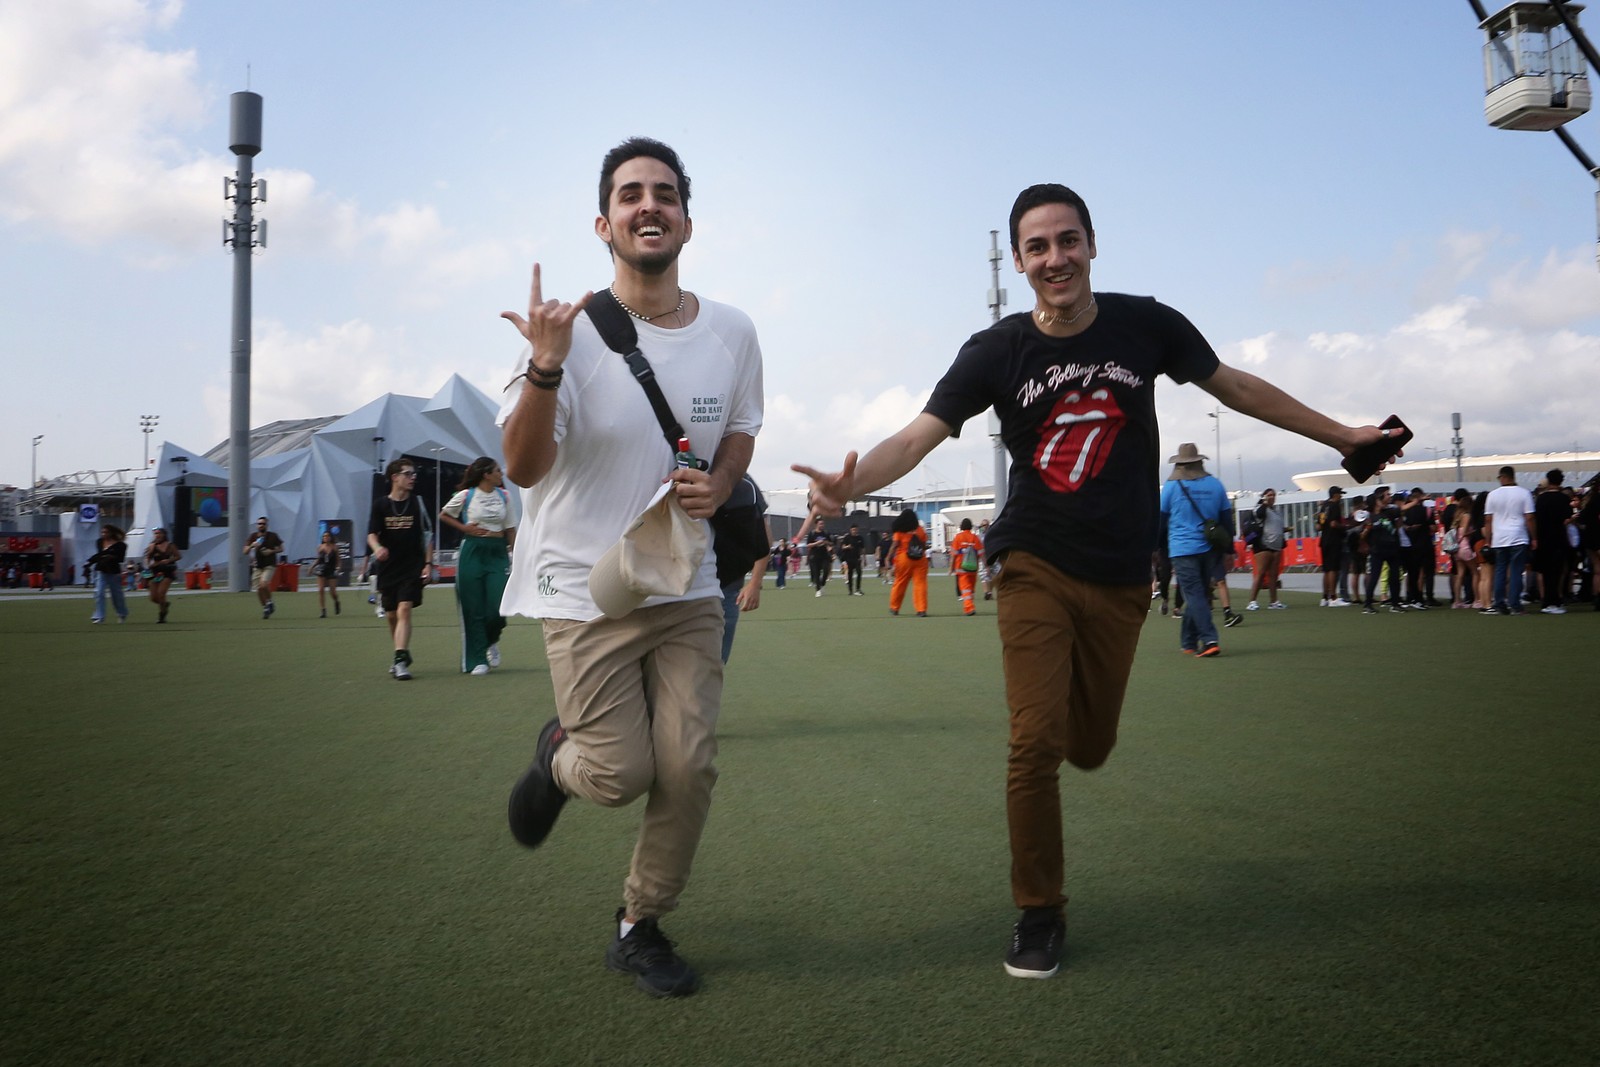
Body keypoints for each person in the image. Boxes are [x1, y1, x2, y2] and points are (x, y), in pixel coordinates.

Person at [792, 182, 1388, 981]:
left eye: (1066, 240)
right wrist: (849, 486)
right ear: (1020, 260)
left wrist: (1342, 433)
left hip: (1119, 574)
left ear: (1092, 244)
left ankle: (1074, 743)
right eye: (1037, 247)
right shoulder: (995, 350)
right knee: (1032, 743)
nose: (1054, 258)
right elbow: (920, 435)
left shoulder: (1147, 324)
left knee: (1091, 745)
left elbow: (1235, 386)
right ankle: (1039, 911)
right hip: (1032, 558)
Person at [497, 138, 763, 999]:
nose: (650, 205)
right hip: (585, 588)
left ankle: (639, 923)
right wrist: (543, 366)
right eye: (631, 193)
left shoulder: (733, 331)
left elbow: (741, 433)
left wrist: (718, 484)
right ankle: (557, 756)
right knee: (619, 773)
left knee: (688, 766)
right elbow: (524, 466)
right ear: (604, 221)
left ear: (687, 215)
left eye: (666, 193)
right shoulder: (567, 337)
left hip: (683, 582)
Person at [439, 457, 517, 675]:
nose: (501, 474)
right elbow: (444, 515)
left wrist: (516, 556)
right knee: (473, 608)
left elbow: (510, 529)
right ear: (485, 474)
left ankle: (491, 640)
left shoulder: (505, 496)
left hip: (497, 552)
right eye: (496, 471)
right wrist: (465, 528)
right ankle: (478, 660)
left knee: (497, 608)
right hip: (472, 552)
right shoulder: (467, 495)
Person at [1160, 444, 1230, 655]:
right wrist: (1229, 550)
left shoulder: (1172, 486)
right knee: (1197, 594)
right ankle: (1188, 642)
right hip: (1210, 548)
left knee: (1193, 594)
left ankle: (1209, 640)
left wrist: (1156, 547)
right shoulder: (1216, 485)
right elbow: (1226, 519)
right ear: (1200, 462)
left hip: (1182, 548)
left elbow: (1161, 520)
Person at [367, 459, 434, 679]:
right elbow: (371, 534)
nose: (412, 477)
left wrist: (428, 563)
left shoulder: (418, 503)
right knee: (391, 615)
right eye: (408, 474)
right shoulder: (380, 505)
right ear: (395, 477)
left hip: (411, 566)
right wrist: (377, 549)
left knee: (405, 608)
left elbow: (427, 534)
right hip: (388, 568)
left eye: (414, 474)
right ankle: (401, 650)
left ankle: (400, 661)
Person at [1482, 465, 1535, 617]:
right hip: (1518, 536)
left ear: (1502, 477)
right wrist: (1534, 537)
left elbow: (1488, 519)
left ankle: (1499, 603)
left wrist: (1488, 539)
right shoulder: (1524, 493)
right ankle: (1515, 604)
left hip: (1499, 538)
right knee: (1516, 572)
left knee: (1500, 571)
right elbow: (1530, 517)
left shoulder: (1492, 495)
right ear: (1513, 476)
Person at [1533, 469, 1572, 615]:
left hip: (1543, 539)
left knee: (1546, 572)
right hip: (1558, 539)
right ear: (1561, 481)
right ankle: (1553, 601)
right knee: (1557, 572)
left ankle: (1547, 601)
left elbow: (1536, 519)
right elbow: (1566, 519)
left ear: (1548, 481)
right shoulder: (1563, 499)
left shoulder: (1541, 499)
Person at [1361, 486, 1405, 614]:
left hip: (1392, 547)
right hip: (1377, 549)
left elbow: (1400, 519)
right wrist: (1369, 528)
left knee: (1395, 576)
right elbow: (1362, 534)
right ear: (1379, 498)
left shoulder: (1390, 511)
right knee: (1374, 577)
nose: (1389, 496)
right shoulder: (1369, 515)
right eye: (1387, 495)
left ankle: (1395, 603)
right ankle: (1367, 604)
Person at [1244, 487, 1286, 610]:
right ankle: (1252, 601)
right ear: (1264, 496)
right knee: (1261, 573)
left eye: (1273, 495)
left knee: (1273, 575)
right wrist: (1264, 502)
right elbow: (1259, 514)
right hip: (1263, 545)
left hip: (1276, 546)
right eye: (1269, 495)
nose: (1272, 497)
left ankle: (1274, 601)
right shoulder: (1261, 508)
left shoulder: (1276, 511)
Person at [887, 508, 930, 617]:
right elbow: (924, 545)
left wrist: (888, 557)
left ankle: (894, 607)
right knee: (920, 584)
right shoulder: (920, 530)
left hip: (904, 559)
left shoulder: (900, 530)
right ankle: (921, 609)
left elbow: (895, 544)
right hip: (920, 559)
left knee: (900, 583)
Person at [243, 516, 284, 619]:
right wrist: (252, 545)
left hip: (269, 565)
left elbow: (281, 548)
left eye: (263, 524)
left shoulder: (272, 536)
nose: (261, 525)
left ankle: (270, 602)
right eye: (259, 524)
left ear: (267, 525)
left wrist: (271, 551)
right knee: (258, 589)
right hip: (257, 566)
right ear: (257, 525)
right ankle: (266, 607)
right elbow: (245, 551)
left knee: (264, 584)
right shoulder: (253, 536)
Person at [88, 524, 129, 624]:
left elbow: (120, 558)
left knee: (116, 595)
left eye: (106, 532)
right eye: (102, 532)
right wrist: (90, 562)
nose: (103, 534)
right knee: (99, 593)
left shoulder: (121, 545)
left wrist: (111, 556)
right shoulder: (100, 542)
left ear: (111, 533)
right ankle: (99, 616)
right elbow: (99, 555)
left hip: (114, 571)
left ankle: (121, 613)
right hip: (101, 570)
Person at [1316, 486, 1349, 606]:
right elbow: (1334, 524)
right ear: (1335, 495)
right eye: (1340, 494)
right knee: (1333, 569)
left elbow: (1318, 526)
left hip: (1324, 540)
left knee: (1326, 569)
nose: (1341, 496)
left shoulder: (1324, 506)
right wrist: (1344, 527)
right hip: (1334, 540)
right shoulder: (1335, 506)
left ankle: (1325, 597)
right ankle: (1333, 597)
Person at [143, 527, 181, 624]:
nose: (157, 535)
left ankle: (162, 616)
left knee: (161, 593)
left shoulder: (170, 545)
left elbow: (178, 556)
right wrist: (148, 564)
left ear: (164, 534)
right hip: (154, 572)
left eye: (159, 533)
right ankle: (164, 604)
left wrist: (169, 560)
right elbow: (147, 558)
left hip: (166, 571)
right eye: (155, 534)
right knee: (153, 598)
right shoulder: (152, 545)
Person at [949, 517, 985, 616]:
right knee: (971, 589)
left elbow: (953, 555)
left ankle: (969, 608)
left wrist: (951, 568)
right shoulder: (975, 538)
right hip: (973, 569)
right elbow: (981, 554)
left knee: (965, 590)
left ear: (961, 526)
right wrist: (986, 567)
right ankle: (970, 605)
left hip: (961, 569)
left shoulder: (958, 537)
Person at [311, 531, 342, 618]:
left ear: (331, 537)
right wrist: (312, 567)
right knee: (321, 590)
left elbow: (338, 560)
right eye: (324, 536)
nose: (326, 538)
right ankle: (323, 610)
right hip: (322, 570)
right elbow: (318, 559)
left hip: (331, 570)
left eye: (328, 536)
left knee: (332, 592)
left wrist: (338, 568)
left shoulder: (335, 547)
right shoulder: (320, 547)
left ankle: (336, 601)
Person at [806, 519, 835, 596]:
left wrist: (826, 542)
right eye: (820, 524)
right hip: (814, 556)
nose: (822, 525)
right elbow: (808, 545)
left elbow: (831, 543)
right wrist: (816, 543)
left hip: (824, 555)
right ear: (816, 525)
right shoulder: (812, 534)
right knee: (816, 573)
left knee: (826, 571)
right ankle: (818, 590)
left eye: (823, 524)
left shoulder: (826, 533)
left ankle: (822, 584)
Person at [838, 523, 866, 596]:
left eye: (856, 530)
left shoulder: (860, 538)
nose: (854, 531)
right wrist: (848, 547)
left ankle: (858, 589)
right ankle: (850, 590)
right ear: (851, 530)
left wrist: (864, 559)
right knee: (850, 574)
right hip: (849, 559)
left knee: (859, 573)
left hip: (857, 558)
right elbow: (843, 547)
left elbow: (862, 549)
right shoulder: (847, 537)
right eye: (853, 530)